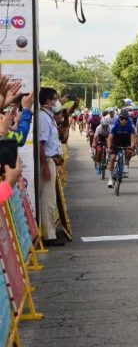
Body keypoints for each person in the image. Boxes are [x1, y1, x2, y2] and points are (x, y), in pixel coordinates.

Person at [38, 87, 65, 247]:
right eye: (55, 99)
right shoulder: (43, 117)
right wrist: (46, 166)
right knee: (48, 199)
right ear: (48, 101)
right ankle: (49, 235)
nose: (57, 102)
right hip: (46, 161)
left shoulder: (49, 117)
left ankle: (50, 231)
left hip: (51, 161)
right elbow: (41, 144)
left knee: (50, 199)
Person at [106, 109, 136, 188]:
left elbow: (132, 139)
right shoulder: (115, 125)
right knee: (112, 158)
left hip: (126, 140)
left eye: (126, 119)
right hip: (116, 141)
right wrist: (109, 148)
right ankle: (110, 178)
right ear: (119, 118)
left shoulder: (130, 125)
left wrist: (132, 148)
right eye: (122, 118)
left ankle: (126, 165)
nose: (124, 120)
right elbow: (109, 139)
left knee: (129, 152)